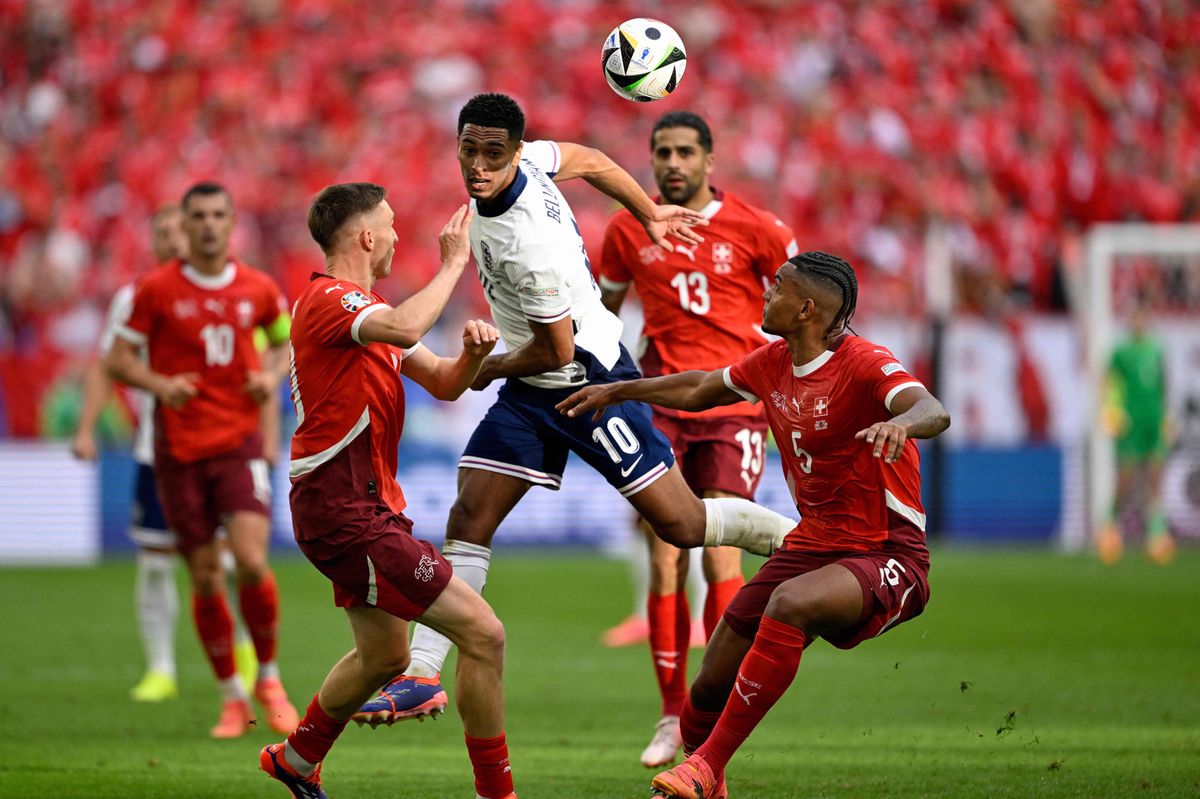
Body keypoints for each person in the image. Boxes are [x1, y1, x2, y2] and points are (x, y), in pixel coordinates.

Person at [354, 93, 798, 725]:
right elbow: (589, 159)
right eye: (469, 150)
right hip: (536, 387)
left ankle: (800, 541)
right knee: (470, 512)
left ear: (511, 152)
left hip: (584, 381)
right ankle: (424, 672)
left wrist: (482, 367)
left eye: (492, 154)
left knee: (682, 524)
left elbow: (552, 347)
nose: (478, 166)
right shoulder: (530, 161)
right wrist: (648, 214)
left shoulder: (520, 243)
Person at [557, 251, 951, 799]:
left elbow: (931, 407)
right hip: (813, 545)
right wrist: (620, 390)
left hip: (888, 555)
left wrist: (901, 424)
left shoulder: (864, 363)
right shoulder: (773, 363)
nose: (767, 294)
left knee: (788, 603)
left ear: (807, 309)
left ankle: (704, 767)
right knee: (707, 688)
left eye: (778, 288)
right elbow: (698, 390)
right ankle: (703, 778)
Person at [260, 184, 516, 799]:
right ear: (366, 237)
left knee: (383, 657)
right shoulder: (331, 301)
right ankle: (497, 793)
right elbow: (405, 328)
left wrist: (474, 356)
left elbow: (447, 382)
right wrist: (455, 261)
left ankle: (294, 760)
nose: (400, 237)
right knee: (484, 635)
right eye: (392, 226)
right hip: (347, 511)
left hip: (356, 508)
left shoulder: (364, 313)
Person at [597, 111, 799, 767]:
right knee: (663, 559)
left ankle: (710, 719)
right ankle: (669, 714)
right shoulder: (627, 227)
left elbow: (807, 306)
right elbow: (605, 314)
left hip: (735, 407)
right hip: (660, 409)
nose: (673, 163)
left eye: (686, 152)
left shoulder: (758, 229)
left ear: (711, 160)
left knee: (721, 562)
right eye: (662, 152)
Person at [105, 182, 298, 738]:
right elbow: (119, 361)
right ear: (184, 226)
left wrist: (269, 374)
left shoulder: (259, 288)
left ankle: (268, 678)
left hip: (237, 444)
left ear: (232, 221)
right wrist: (160, 384)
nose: (210, 225)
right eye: (199, 216)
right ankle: (231, 697)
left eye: (219, 215)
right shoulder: (155, 290)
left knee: (252, 561)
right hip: (179, 451)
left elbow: (284, 342)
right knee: (207, 575)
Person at [1097, 303, 1175, 565]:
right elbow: (1109, 381)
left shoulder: (1156, 349)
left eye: (1143, 317)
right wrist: (1111, 410)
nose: (1139, 322)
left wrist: (1166, 415)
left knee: (1155, 477)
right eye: (1135, 317)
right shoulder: (1121, 352)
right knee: (1126, 479)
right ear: (1130, 321)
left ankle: (1157, 534)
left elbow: (1164, 384)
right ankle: (1109, 527)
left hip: (1154, 420)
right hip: (1130, 422)